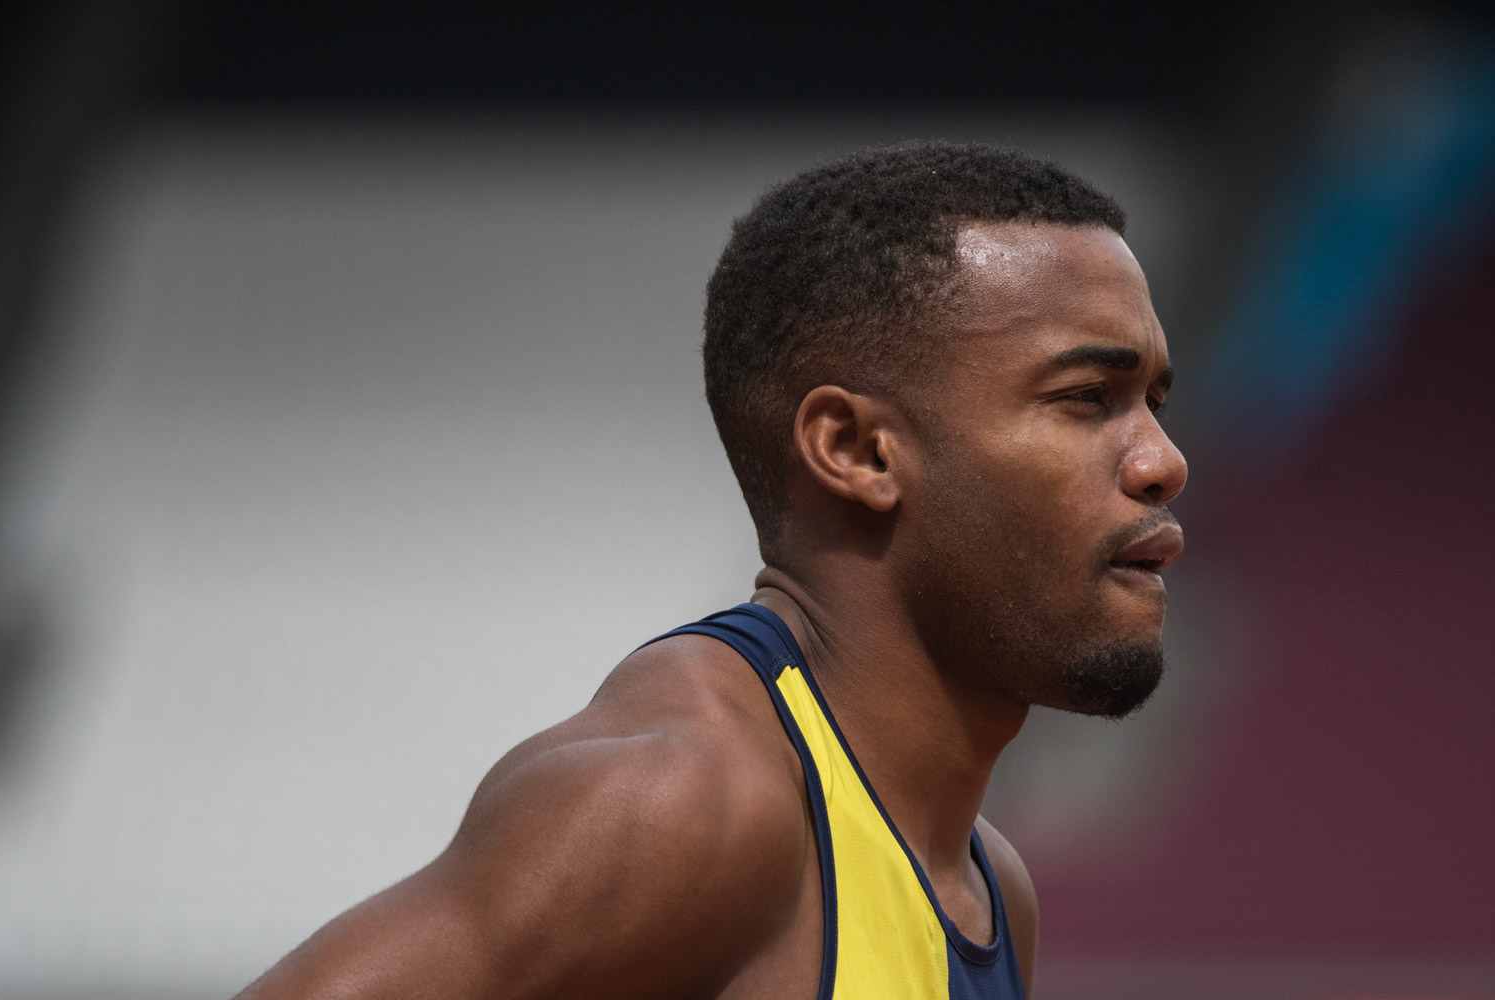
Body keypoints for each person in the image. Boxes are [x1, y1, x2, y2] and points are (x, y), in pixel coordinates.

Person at [235, 140, 1187, 1000]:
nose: (1162, 460)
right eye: (1087, 398)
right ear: (856, 449)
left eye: (1152, 398)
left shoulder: (988, 884)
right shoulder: (687, 802)